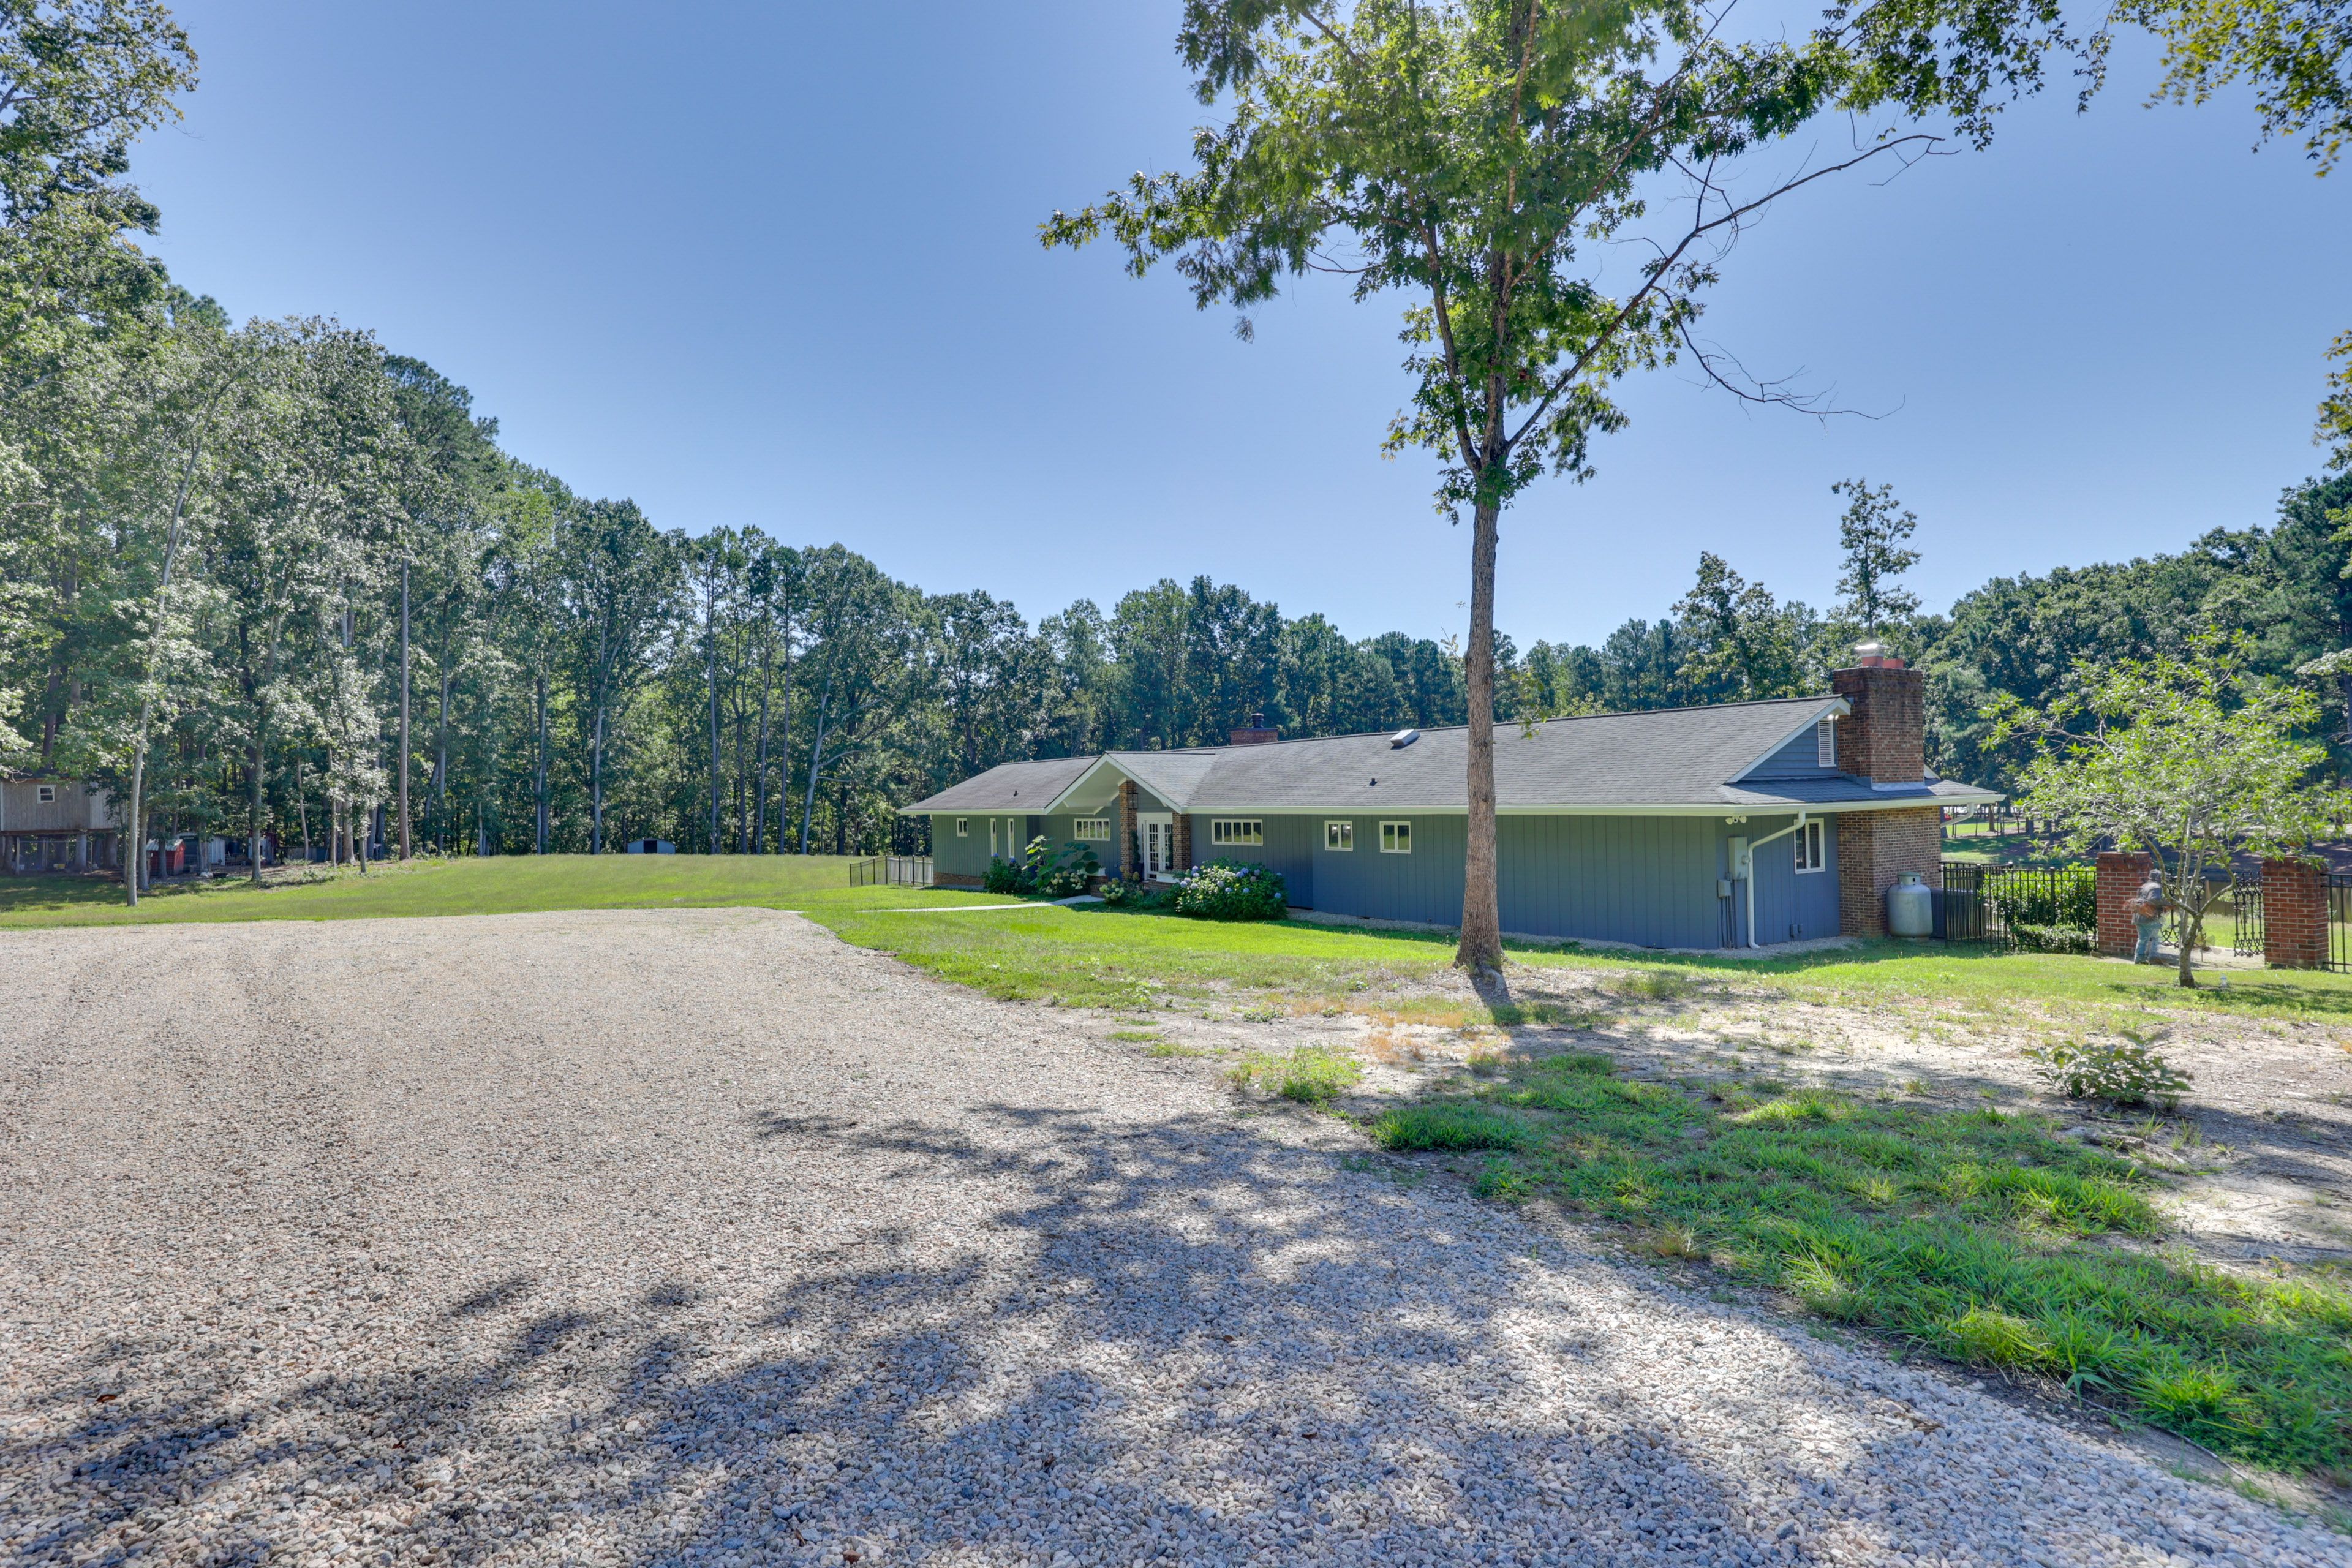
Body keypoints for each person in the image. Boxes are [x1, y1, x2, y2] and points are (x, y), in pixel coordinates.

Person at [2131, 876, 2169, 964]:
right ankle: (2153, 959)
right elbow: (2154, 900)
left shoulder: (2145, 885)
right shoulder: (2156, 887)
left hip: (2139, 916)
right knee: (2155, 939)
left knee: (2142, 939)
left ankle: (2139, 959)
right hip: (2149, 917)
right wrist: (2165, 904)